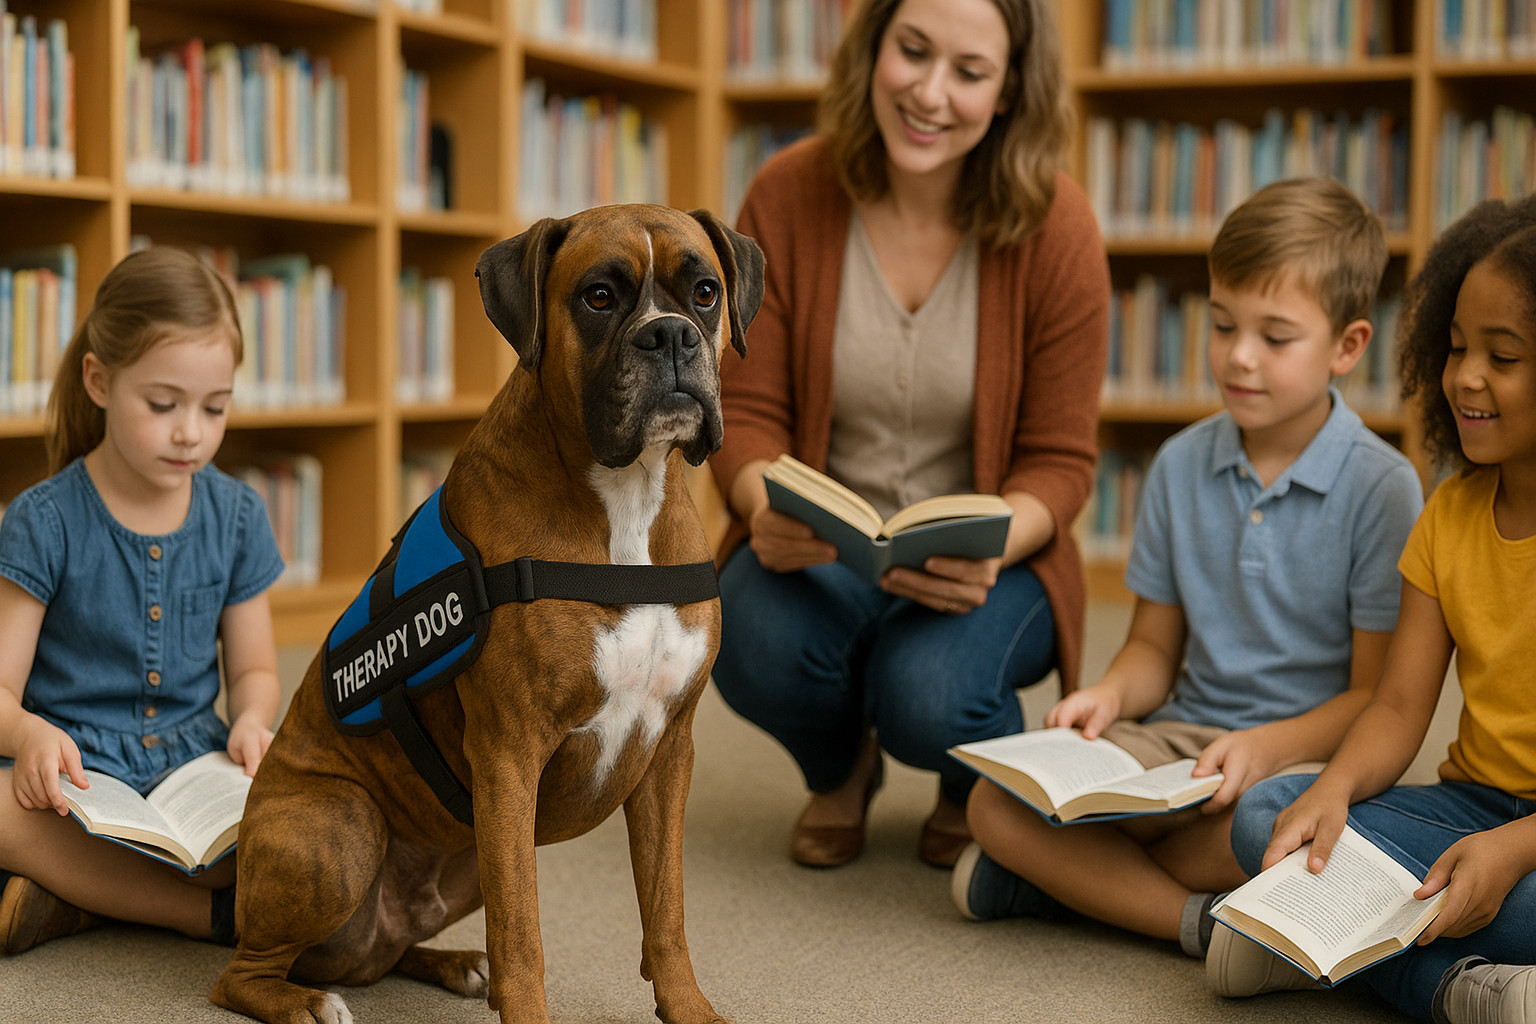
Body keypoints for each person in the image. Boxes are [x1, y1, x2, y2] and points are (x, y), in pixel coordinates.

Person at [952, 177, 1426, 957]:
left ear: (1348, 347)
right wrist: (1106, 695)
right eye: (1221, 325)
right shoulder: (1177, 466)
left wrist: (1267, 749)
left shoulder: (1384, 488)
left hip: (1295, 760)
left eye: (1275, 338)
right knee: (991, 808)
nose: (1239, 356)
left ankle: (1067, 887)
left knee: (1268, 833)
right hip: (1175, 746)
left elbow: (1376, 697)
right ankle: (1196, 923)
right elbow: (1152, 649)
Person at [708, 0, 1110, 870]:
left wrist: (998, 544)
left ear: (1008, 92)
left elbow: (1062, 460)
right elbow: (745, 415)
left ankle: (970, 782)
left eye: (968, 72)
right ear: (874, 49)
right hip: (826, 551)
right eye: (912, 52)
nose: (929, 93)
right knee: (745, 638)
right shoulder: (787, 193)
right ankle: (841, 767)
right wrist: (756, 503)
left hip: (988, 561)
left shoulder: (1058, 226)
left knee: (932, 692)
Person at [1213, 194, 1536, 1023]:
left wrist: (1513, 850)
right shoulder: (1447, 515)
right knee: (1269, 820)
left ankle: (1312, 951)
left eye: (1503, 356)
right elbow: (1397, 705)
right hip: (1468, 804)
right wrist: (1337, 789)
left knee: (1513, 902)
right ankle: (1456, 990)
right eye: (1458, 347)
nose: (1464, 376)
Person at [0, 247, 284, 956]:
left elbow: (254, 671)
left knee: (315, 812)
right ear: (99, 381)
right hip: (77, 769)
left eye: (214, 407)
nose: (191, 430)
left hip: (195, 766)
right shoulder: (43, 519)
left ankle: (83, 896)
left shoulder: (239, 515)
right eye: (163, 405)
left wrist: (251, 722)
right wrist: (30, 737)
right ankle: (201, 917)